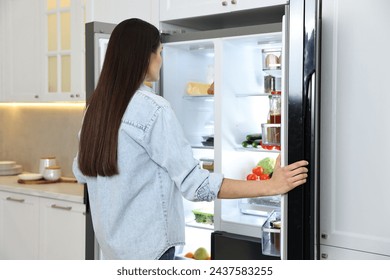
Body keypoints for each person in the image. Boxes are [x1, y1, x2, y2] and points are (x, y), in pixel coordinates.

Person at [72, 18, 309, 260]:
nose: (161, 61)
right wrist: (270, 185)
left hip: (113, 251)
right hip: (151, 253)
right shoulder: (154, 109)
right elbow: (196, 185)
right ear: (146, 56)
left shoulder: (95, 110)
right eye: (160, 52)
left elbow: (82, 172)